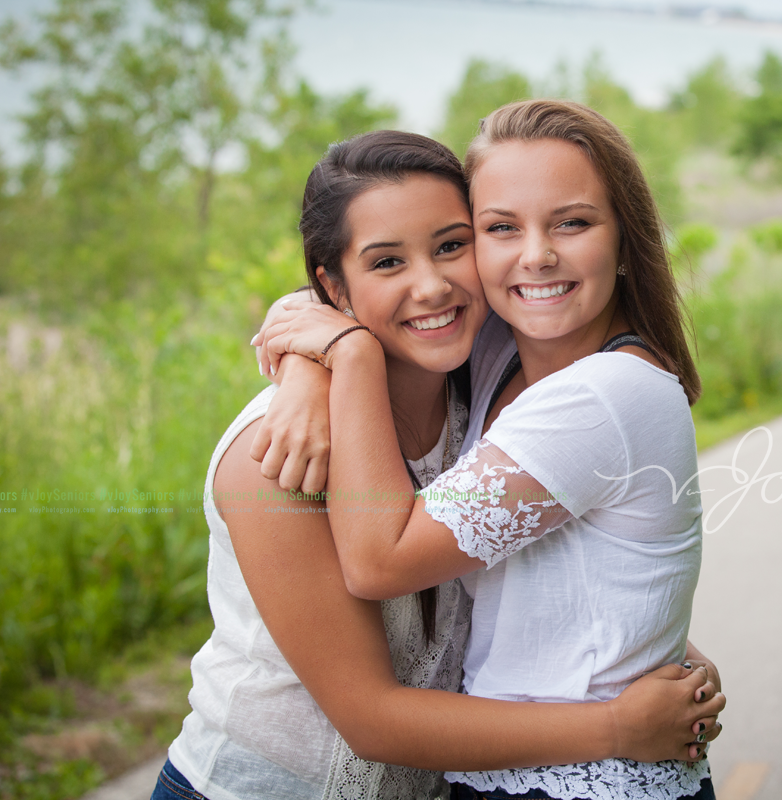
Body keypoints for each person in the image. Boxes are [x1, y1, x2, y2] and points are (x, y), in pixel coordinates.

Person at [156, 130, 723, 800]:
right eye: (388, 262)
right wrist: (330, 364)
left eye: (452, 245)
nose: (431, 286)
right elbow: (370, 716)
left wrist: (650, 641)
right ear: (333, 286)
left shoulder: (474, 382)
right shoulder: (276, 455)